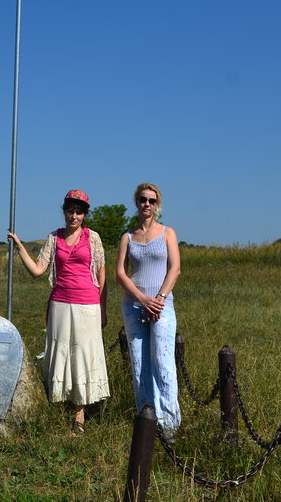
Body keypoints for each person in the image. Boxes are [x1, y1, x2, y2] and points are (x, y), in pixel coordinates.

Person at [7, 189, 110, 434]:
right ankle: (60, 400)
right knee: (62, 352)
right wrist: (20, 247)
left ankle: (80, 413)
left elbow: (102, 276)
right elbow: (37, 270)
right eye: (70, 211)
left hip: (88, 304)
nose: (73, 216)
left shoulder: (92, 238)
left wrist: (103, 308)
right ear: (64, 212)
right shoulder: (54, 238)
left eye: (78, 212)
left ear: (84, 215)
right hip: (61, 302)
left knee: (84, 354)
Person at [114, 183, 181, 434]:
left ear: (158, 205)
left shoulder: (167, 233)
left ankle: (170, 426)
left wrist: (159, 298)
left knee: (163, 363)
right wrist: (143, 299)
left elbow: (175, 268)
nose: (147, 204)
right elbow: (120, 273)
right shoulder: (127, 237)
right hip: (134, 306)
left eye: (152, 201)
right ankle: (146, 420)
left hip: (162, 306)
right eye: (143, 200)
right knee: (140, 366)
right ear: (137, 202)